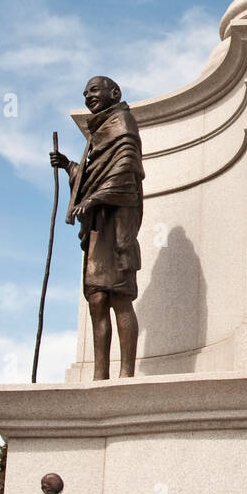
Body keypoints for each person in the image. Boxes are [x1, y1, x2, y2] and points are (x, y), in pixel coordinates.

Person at [50, 76, 144, 379]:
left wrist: (93, 201)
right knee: (97, 301)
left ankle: (126, 372)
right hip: (97, 231)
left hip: (117, 229)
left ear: (113, 93)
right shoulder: (97, 133)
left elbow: (125, 173)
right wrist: (68, 166)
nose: (87, 96)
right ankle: (99, 375)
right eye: (84, 93)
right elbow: (91, 178)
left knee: (120, 299)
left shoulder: (122, 123)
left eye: (93, 90)